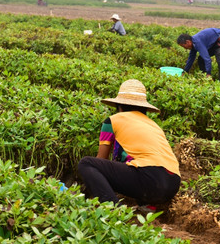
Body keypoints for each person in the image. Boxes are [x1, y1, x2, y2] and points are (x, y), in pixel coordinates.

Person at [77, 79, 181, 211]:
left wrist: (87, 190)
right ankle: (147, 206)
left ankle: (114, 209)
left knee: (87, 163)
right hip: (172, 184)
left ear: (119, 106)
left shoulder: (112, 120)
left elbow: (101, 159)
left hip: (149, 178)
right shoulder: (153, 124)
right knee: (134, 163)